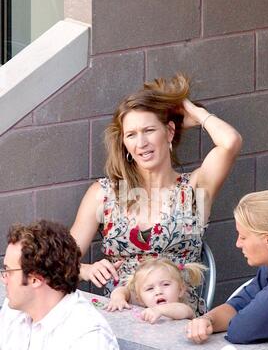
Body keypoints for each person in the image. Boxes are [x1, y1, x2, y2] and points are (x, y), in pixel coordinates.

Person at [71, 73, 242, 315]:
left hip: (179, 319)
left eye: (149, 130)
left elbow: (231, 142)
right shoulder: (104, 193)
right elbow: (60, 261)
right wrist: (86, 270)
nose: (141, 143)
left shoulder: (194, 189)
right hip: (122, 317)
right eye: (131, 135)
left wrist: (192, 111)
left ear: (169, 132)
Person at [0, 220, 120, 350]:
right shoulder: (16, 311)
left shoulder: (87, 332)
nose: (3, 279)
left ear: (36, 280)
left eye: (8, 271)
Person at [186, 190, 268, 344]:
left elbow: (242, 329)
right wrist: (207, 320)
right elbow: (236, 305)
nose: (238, 243)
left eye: (243, 237)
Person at [107, 258, 205, 323]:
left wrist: (159, 310)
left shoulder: (183, 309)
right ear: (139, 298)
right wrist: (118, 298)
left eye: (166, 284)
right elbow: (124, 290)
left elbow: (183, 310)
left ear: (181, 289)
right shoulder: (142, 303)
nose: (158, 291)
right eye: (150, 288)